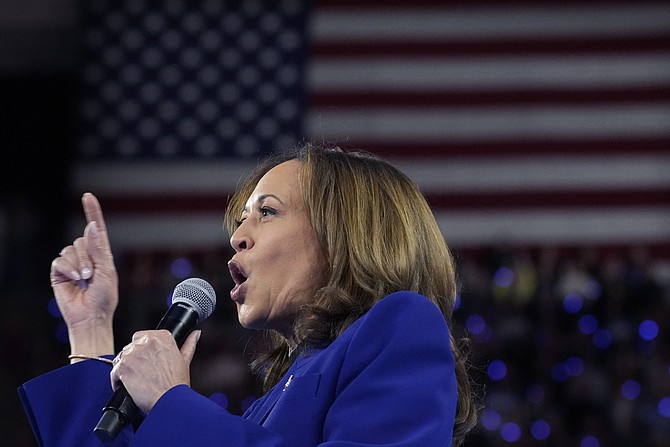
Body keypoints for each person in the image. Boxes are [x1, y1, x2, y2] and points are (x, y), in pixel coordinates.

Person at [18, 142, 479, 446]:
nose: (238, 236)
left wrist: (171, 402)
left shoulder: (403, 323)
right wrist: (91, 330)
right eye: (241, 218)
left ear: (346, 234)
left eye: (268, 212)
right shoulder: (270, 401)